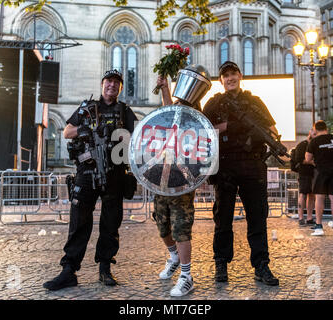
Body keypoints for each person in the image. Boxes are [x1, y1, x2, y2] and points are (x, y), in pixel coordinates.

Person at [43, 70, 137, 290]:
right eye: (108, 82)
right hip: (86, 173)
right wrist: (84, 129)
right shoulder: (87, 108)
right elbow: (67, 132)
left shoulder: (124, 111)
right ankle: (68, 271)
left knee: (110, 224)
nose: (112, 85)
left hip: (114, 173)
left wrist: (117, 132)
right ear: (102, 84)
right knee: (79, 223)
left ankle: (105, 269)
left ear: (120, 88)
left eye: (116, 83)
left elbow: (135, 136)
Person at [202, 61, 279, 286]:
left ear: (240, 75)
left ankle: (261, 265)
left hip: (252, 166)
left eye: (233, 73)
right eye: (225, 75)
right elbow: (203, 130)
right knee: (223, 219)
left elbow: (272, 129)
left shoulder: (254, 102)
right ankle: (221, 263)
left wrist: (266, 136)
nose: (230, 78)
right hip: (225, 166)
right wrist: (229, 127)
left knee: (257, 218)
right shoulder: (214, 103)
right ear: (221, 81)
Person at [152, 65, 210, 297]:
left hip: (183, 181)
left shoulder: (199, 116)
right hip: (162, 177)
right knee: (161, 223)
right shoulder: (176, 108)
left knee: (181, 228)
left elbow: (205, 148)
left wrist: (201, 176)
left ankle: (186, 276)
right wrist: (165, 88)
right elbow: (168, 116)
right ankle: (174, 257)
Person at [305, 120, 333, 236]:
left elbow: (307, 159)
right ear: (326, 128)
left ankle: (318, 225)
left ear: (315, 129)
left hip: (321, 171)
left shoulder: (314, 141)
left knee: (320, 198)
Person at [295, 129, 316, 227]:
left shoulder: (315, 144)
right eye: (314, 133)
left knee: (312, 195)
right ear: (310, 133)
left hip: (314, 173)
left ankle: (309, 218)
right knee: (303, 194)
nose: (315, 135)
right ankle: (300, 218)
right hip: (304, 173)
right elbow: (298, 159)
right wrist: (311, 162)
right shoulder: (302, 145)